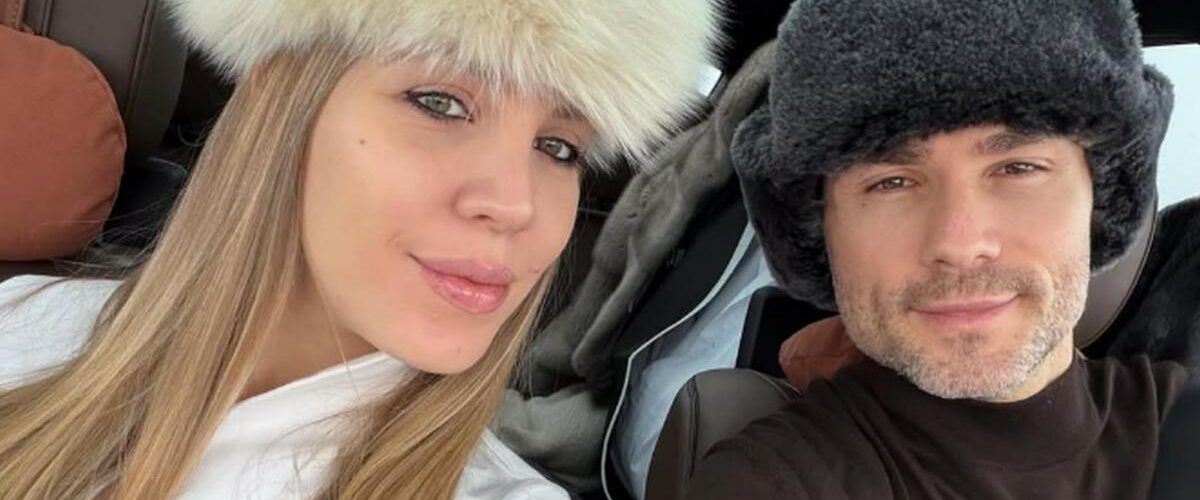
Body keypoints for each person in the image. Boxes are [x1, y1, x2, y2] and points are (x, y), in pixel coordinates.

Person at [0, 0, 721, 498]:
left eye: (559, 148)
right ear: (277, 101)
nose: (516, 205)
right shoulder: (24, 321)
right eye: (441, 102)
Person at [685, 0, 1190, 498]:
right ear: (822, 230)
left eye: (1018, 168)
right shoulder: (773, 482)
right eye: (891, 182)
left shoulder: (1183, 423)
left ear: (1099, 199)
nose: (960, 244)